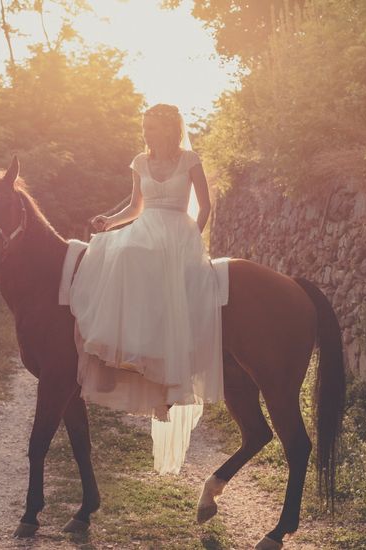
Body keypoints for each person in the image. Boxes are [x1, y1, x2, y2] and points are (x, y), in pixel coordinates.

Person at [69, 104, 224, 472]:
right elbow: (136, 206)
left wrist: (193, 238)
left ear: (170, 130)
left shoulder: (190, 159)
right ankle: (125, 351)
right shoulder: (140, 161)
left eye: (152, 128)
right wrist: (110, 220)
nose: (146, 134)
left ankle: (164, 361)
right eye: (144, 127)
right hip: (147, 226)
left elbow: (205, 205)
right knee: (120, 251)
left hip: (178, 230)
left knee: (146, 257)